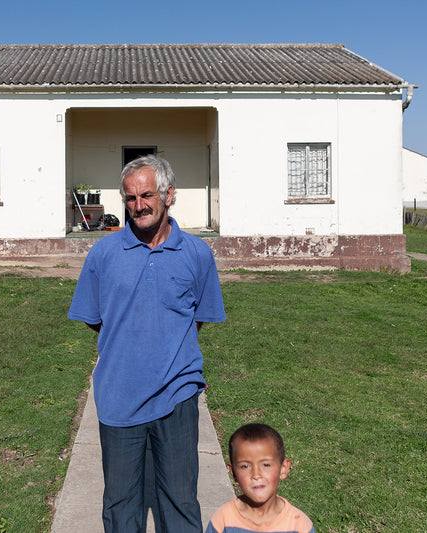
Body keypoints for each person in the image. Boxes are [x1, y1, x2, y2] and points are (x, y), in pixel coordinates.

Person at [68, 155, 226, 533]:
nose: (138, 206)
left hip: (177, 397)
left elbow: (199, 316)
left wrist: (167, 346)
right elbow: (95, 319)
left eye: (147, 195)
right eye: (130, 198)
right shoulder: (103, 255)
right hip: (119, 398)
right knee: (122, 508)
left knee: (180, 503)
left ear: (169, 195)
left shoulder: (197, 254)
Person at [205, 423, 314, 533]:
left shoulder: (299, 525)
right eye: (245, 466)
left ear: (283, 469)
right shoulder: (222, 521)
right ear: (233, 472)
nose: (256, 475)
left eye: (266, 465)